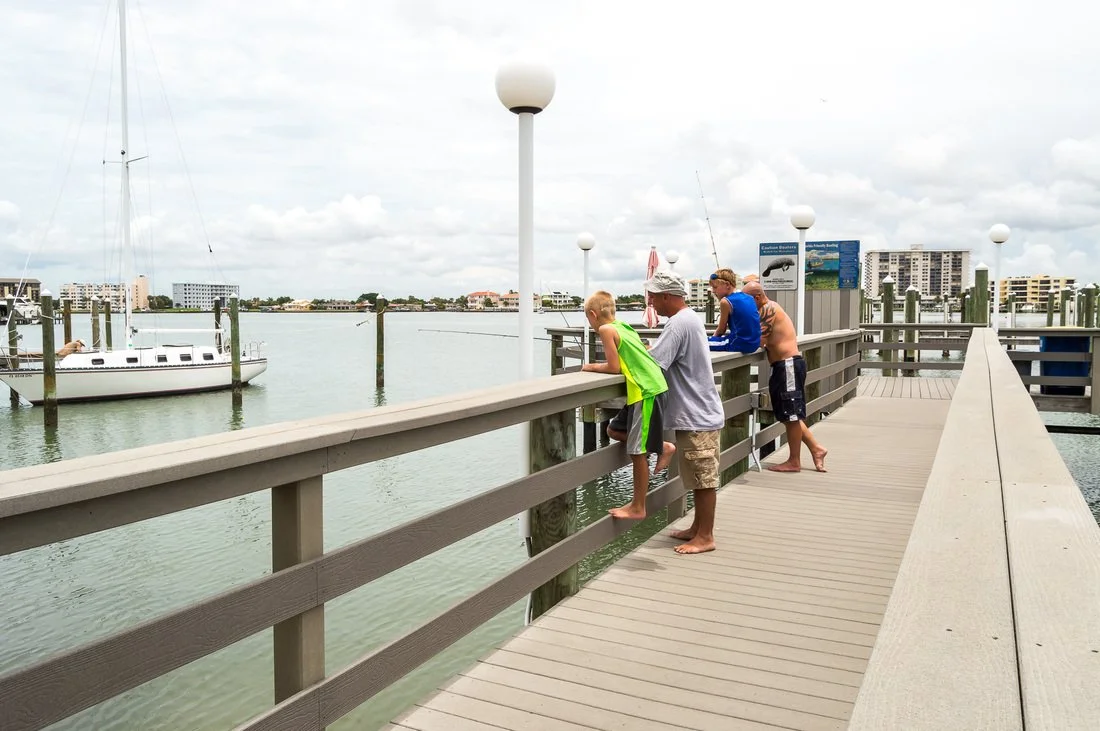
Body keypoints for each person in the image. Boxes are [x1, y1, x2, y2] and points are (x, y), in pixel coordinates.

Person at [644, 271, 726, 554]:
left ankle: (706, 537)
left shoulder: (678, 324)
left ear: (668, 296)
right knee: (696, 474)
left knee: (704, 479)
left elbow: (654, 364)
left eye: (653, 296)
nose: (651, 301)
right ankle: (697, 527)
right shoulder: (690, 319)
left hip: (696, 414)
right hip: (699, 411)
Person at [581, 290, 676, 520]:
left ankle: (638, 506)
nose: (591, 324)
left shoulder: (606, 330)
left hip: (646, 392)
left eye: (588, 319)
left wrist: (589, 366)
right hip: (649, 389)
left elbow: (613, 367)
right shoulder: (623, 326)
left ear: (593, 315)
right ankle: (663, 447)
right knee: (613, 429)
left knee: (637, 452)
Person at [742, 281, 828, 473]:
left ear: (757, 297)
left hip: (788, 365)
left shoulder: (768, 309)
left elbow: (758, 341)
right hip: (782, 366)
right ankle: (816, 449)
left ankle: (794, 461)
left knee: (791, 414)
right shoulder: (765, 309)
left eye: (747, 301)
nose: (745, 306)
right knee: (788, 414)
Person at [707, 268, 761, 354]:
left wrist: (713, 339)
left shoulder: (725, 301)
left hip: (738, 343)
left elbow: (721, 330)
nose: (713, 291)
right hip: (754, 344)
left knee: (699, 342)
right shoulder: (749, 298)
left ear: (727, 285)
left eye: (715, 287)